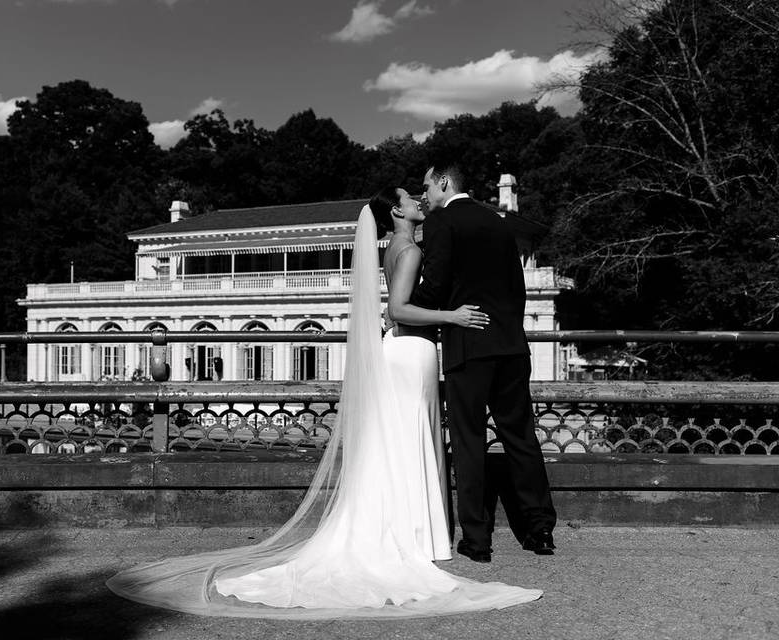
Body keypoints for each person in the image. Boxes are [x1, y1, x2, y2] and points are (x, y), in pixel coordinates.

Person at [105, 191, 542, 619]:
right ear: (396, 211)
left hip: (402, 350)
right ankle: (419, 536)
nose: (421, 201)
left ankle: (414, 533)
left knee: (399, 441)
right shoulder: (410, 251)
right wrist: (452, 316)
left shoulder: (394, 247)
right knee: (415, 439)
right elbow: (402, 307)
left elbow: (404, 299)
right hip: (415, 351)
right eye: (413, 198)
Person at [411, 161, 557, 564]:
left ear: (444, 182)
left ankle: (477, 540)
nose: (424, 193)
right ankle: (540, 528)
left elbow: (435, 285)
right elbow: (517, 288)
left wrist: (405, 307)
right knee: (521, 438)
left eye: (427, 185)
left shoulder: (442, 222)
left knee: (469, 440)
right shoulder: (498, 222)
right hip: (511, 345)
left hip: (469, 345)